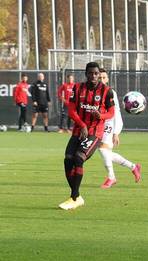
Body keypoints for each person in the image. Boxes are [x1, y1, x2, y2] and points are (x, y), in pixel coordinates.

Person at [58, 62, 115, 210]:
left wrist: (101, 115)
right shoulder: (77, 88)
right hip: (79, 130)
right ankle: (76, 196)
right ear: (86, 74)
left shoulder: (107, 91)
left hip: (94, 132)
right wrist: (82, 125)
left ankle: (74, 196)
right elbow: (71, 110)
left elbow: (111, 113)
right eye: (91, 73)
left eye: (96, 74)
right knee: (67, 160)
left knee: (78, 157)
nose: (94, 76)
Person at [97, 68, 141, 189]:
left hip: (109, 124)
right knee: (106, 152)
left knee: (102, 149)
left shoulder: (111, 92)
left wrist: (116, 132)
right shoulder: (94, 91)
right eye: (99, 77)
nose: (101, 80)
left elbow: (116, 113)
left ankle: (111, 177)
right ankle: (133, 167)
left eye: (103, 77)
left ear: (107, 79)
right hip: (98, 125)